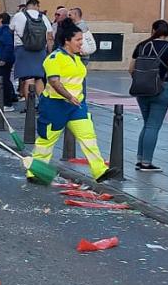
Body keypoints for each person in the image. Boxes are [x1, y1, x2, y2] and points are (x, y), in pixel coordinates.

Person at [30, 21, 117, 182]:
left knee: (88, 137)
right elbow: (54, 82)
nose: (81, 43)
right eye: (78, 39)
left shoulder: (77, 59)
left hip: (76, 106)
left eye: (81, 39)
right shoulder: (54, 58)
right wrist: (69, 97)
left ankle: (99, 171)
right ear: (67, 41)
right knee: (46, 141)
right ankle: (34, 172)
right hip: (55, 105)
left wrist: (75, 99)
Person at [128, 20, 168, 171]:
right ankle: (146, 163)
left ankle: (140, 159)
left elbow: (131, 69)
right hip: (162, 89)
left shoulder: (141, 46)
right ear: (167, 32)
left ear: (153, 30)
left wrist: (141, 81)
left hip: (142, 89)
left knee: (147, 124)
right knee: (153, 126)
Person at [11, 0, 50, 110]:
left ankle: (30, 106)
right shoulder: (43, 17)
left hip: (23, 49)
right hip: (40, 50)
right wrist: (49, 51)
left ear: (27, 5)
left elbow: (11, 29)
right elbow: (50, 35)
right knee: (39, 78)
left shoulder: (19, 16)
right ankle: (43, 104)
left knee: (28, 78)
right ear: (36, 5)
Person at [0, 12, 16, 108]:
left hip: (3, 60)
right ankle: (4, 101)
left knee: (3, 80)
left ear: (1, 19)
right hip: (1, 59)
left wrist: (3, 59)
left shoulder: (5, 31)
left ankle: (7, 102)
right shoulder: (3, 30)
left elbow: (8, 45)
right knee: (2, 80)